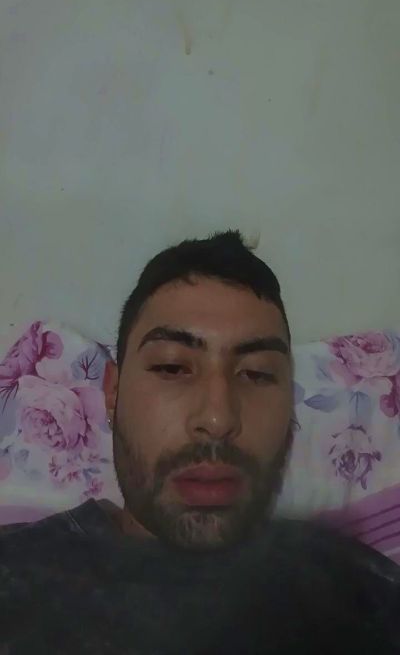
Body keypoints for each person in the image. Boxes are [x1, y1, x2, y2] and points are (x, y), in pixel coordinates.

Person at [0, 230, 399, 654]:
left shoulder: (363, 598)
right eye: (172, 368)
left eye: (257, 374)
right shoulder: (14, 576)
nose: (217, 419)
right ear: (113, 391)